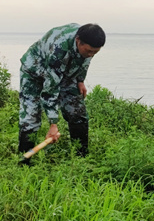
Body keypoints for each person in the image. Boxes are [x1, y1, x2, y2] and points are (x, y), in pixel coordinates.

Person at [18, 23, 105, 160]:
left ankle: (81, 158)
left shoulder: (89, 42)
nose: (91, 55)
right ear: (78, 41)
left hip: (64, 73)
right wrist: (53, 124)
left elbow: (84, 61)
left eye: (95, 52)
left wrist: (80, 80)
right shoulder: (59, 49)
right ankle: (24, 159)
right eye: (89, 51)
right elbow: (50, 89)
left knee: (77, 112)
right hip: (34, 71)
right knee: (31, 116)